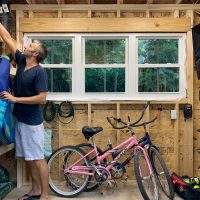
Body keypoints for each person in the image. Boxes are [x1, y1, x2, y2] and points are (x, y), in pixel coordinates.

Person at [0, 22, 49, 200]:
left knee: (38, 159)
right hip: (20, 120)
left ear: (35, 54)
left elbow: (42, 98)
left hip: (32, 122)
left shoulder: (39, 73)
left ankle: (44, 195)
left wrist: (15, 99)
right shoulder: (21, 60)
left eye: (30, 45)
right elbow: (6, 38)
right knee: (28, 158)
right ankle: (35, 190)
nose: (26, 45)